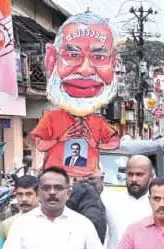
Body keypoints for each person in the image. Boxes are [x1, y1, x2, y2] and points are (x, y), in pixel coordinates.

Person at [31, 12, 120, 177]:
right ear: (51, 60)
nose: (85, 71)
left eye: (99, 57)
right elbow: (39, 143)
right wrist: (60, 139)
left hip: (88, 182)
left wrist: (94, 143)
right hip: (56, 182)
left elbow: (114, 142)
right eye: (72, 55)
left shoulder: (97, 121)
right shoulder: (51, 117)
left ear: (113, 63)